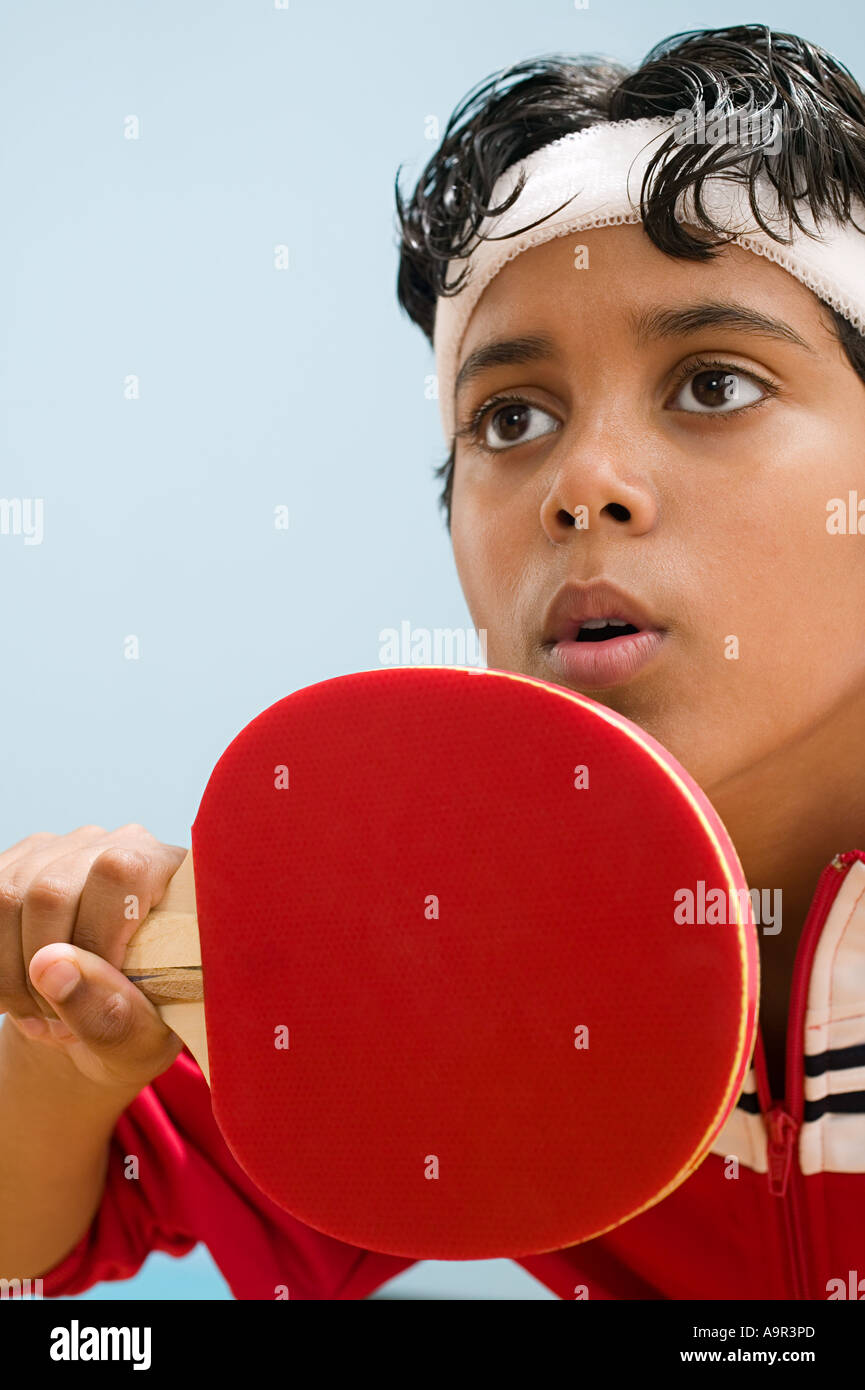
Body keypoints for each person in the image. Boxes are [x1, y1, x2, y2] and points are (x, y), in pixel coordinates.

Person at [2, 22, 865, 1301]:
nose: (584, 488)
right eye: (510, 418)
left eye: (714, 385)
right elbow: (41, 1244)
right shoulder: (419, 944)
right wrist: (61, 1056)